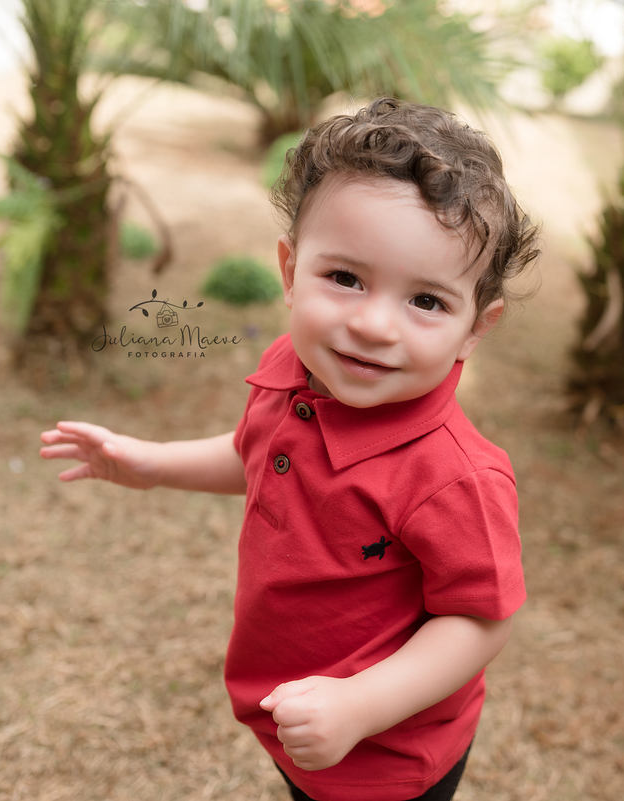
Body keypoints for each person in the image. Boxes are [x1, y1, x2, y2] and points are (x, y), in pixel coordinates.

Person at [39, 97, 540, 801]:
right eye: (345, 278)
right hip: (297, 715)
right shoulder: (295, 373)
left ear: (476, 327)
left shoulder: (453, 474)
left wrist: (358, 706)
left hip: (384, 754)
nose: (371, 325)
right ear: (289, 268)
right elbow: (256, 454)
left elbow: (480, 619)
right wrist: (151, 464)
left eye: (426, 301)